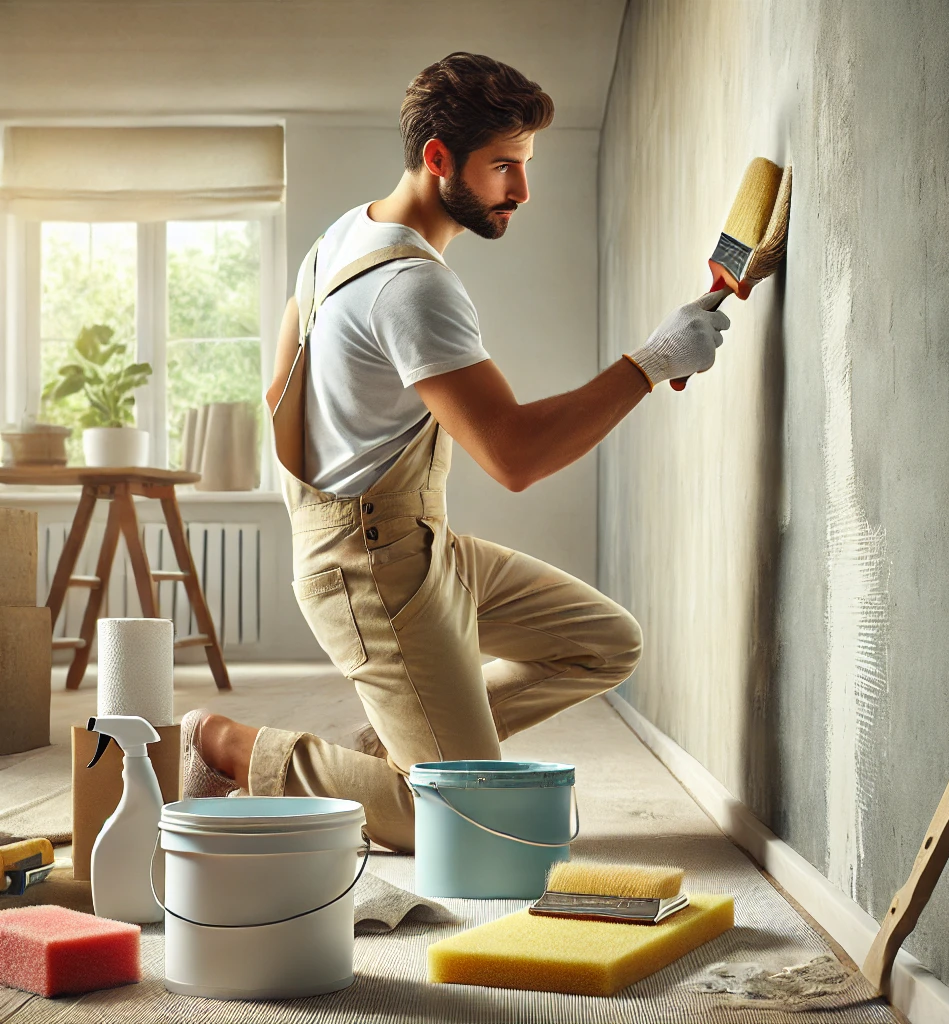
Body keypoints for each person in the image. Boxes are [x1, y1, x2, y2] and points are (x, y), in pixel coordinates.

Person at [181, 52, 730, 852]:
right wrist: (650, 364)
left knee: (605, 642)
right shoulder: (413, 287)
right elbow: (513, 458)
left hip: (417, 545)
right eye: (504, 166)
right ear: (439, 158)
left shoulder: (338, 237)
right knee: (452, 823)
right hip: (373, 570)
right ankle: (226, 745)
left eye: (526, 164)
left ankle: (413, 749)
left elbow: (277, 394)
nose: (522, 191)